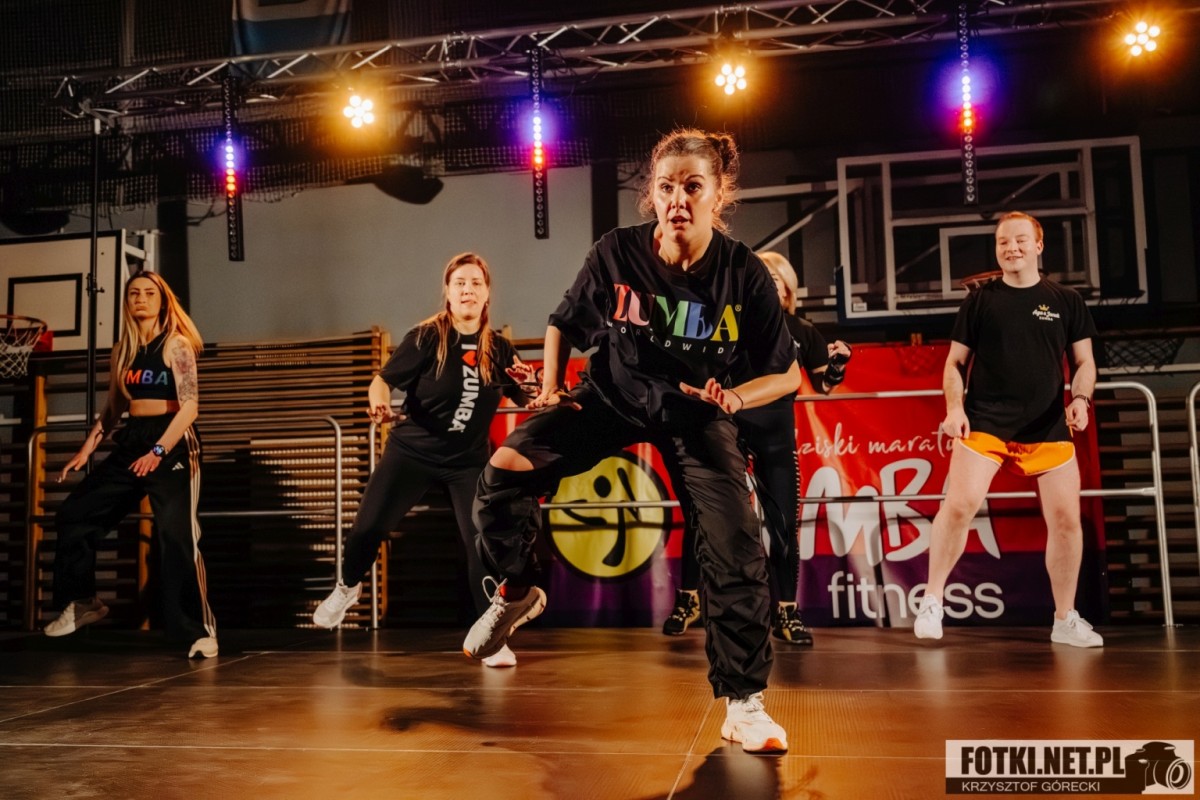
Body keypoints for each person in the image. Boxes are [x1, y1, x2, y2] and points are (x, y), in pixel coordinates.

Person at [462, 129, 802, 754]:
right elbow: (563, 322)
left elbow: (787, 374)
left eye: (693, 187)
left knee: (735, 540)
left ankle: (744, 703)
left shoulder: (744, 273)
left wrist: (733, 398)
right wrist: (552, 387)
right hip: (611, 397)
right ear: (652, 193)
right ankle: (516, 590)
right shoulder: (616, 251)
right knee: (503, 470)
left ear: (718, 194)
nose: (678, 200)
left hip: (697, 413)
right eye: (666, 187)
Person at [312, 252, 534, 668]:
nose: (467, 290)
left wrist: (532, 383)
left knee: (481, 545)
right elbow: (381, 382)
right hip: (412, 453)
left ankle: (491, 638)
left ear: (487, 294)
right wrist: (379, 405)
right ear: (447, 292)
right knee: (368, 528)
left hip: (466, 462)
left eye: (476, 283)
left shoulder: (500, 349)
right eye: (460, 283)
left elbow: (527, 395)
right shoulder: (428, 337)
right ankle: (347, 587)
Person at [913, 211, 1102, 648]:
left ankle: (1065, 619)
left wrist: (1080, 398)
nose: (1011, 247)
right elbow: (954, 364)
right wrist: (954, 409)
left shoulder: (1066, 300)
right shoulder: (980, 301)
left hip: (1048, 425)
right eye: (1003, 242)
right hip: (986, 423)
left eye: (1020, 240)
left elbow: (1085, 362)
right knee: (958, 506)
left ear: (1039, 246)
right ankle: (932, 601)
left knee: (1067, 521)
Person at [661, 251, 852, 647]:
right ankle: (689, 600)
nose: (766, 283)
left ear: (787, 290)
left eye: (774, 278)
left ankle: (786, 611)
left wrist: (837, 364)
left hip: (775, 435)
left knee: (782, 525)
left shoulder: (801, 330)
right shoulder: (728, 323)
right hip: (725, 429)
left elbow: (824, 385)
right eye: (759, 276)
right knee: (704, 516)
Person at [47, 271, 218, 658]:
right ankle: (83, 602)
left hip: (173, 441)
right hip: (133, 439)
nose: (141, 298)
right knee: (74, 514)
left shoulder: (176, 345)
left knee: (177, 536)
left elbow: (190, 407)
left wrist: (158, 451)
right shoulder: (122, 350)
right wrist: (87, 448)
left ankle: (200, 630)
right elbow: (113, 408)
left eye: (149, 293)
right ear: (126, 302)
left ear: (162, 301)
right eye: (134, 293)